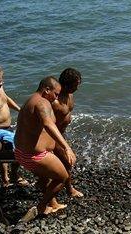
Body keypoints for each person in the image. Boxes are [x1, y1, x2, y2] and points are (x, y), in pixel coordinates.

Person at [14, 76, 76, 219]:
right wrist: (66, 147)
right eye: (55, 94)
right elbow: (48, 124)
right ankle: (42, 206)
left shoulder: (30, 100)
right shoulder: (42, 102)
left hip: (21, 152)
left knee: (44, 178)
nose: (56, 98)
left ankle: (53, 204)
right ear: (46, 89)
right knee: (62, 177)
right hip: (34, 156)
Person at [50, 68, 83, 197]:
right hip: (53, 136)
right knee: (67, 162)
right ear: (66, 84)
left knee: (64, 163)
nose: (77, 89)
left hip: (62, 134)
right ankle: (70, 190)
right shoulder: (54, 101)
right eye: (75, 85)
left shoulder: (70, 95)